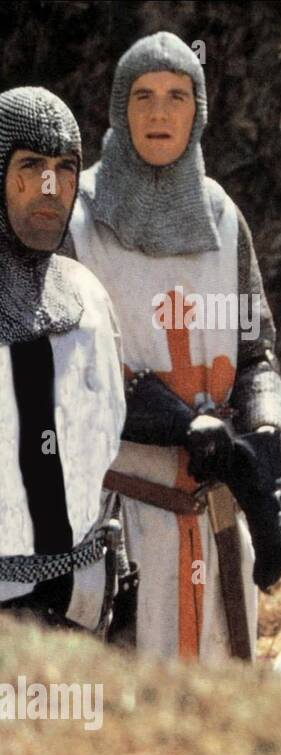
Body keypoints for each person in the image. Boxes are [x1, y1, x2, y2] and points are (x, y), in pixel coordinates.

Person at [66, 32, 281, 662]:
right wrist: (181, 424)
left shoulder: (222, 217)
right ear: (120, 108)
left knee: (216, 719)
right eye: (143, 96)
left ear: (198, 111)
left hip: (216, 523)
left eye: (176, 96)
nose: (160, 113)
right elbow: (67, 369)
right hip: (118, 523)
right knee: (127, 727)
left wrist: (268, 467)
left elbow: (258, 358)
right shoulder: (78, 221)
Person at [0, 87, 125, 634]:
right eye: (30, 166)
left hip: (83, 597)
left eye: (65, 168)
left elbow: (104, 441)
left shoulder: (90, 299)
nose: (50, 188)